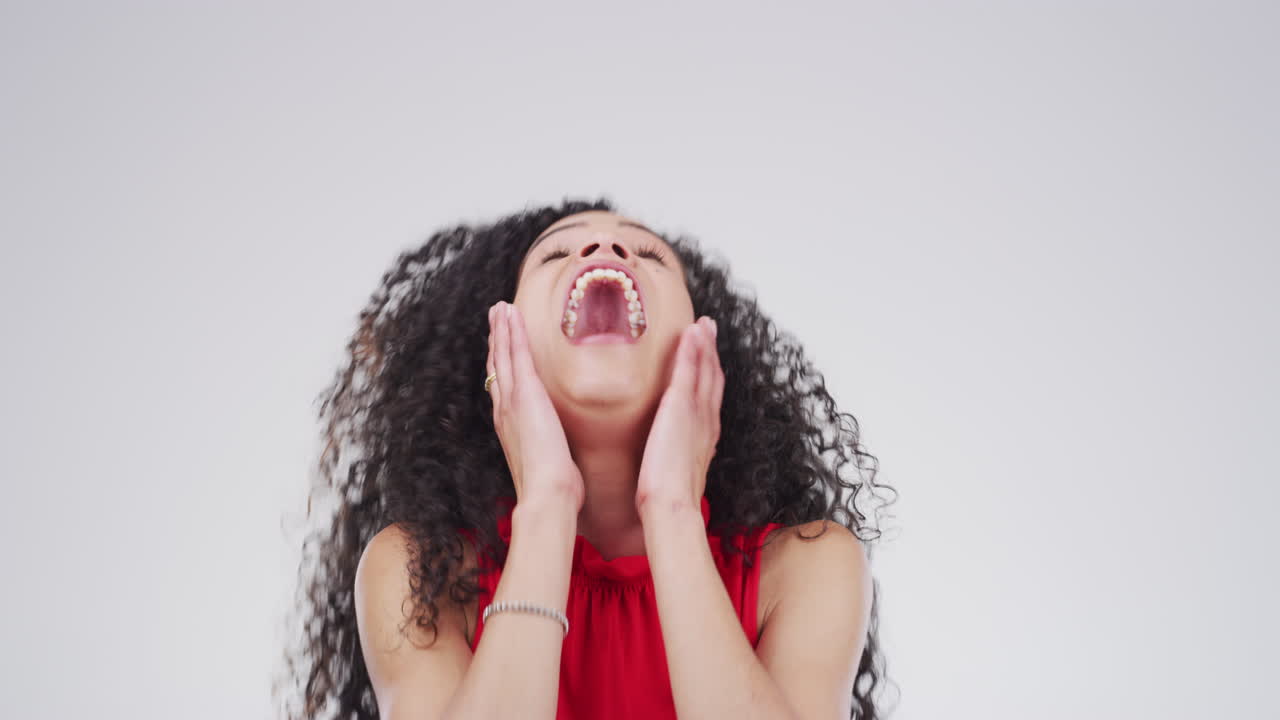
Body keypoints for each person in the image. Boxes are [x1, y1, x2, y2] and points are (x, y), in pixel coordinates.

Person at [276, 198, 898, 719]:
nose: (607, 252)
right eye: (556, 252)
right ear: (497, 351)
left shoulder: (808, 566)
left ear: (706, 347)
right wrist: (546, 501)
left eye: (649, 254)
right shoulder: (416, 570)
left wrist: (672, 505)